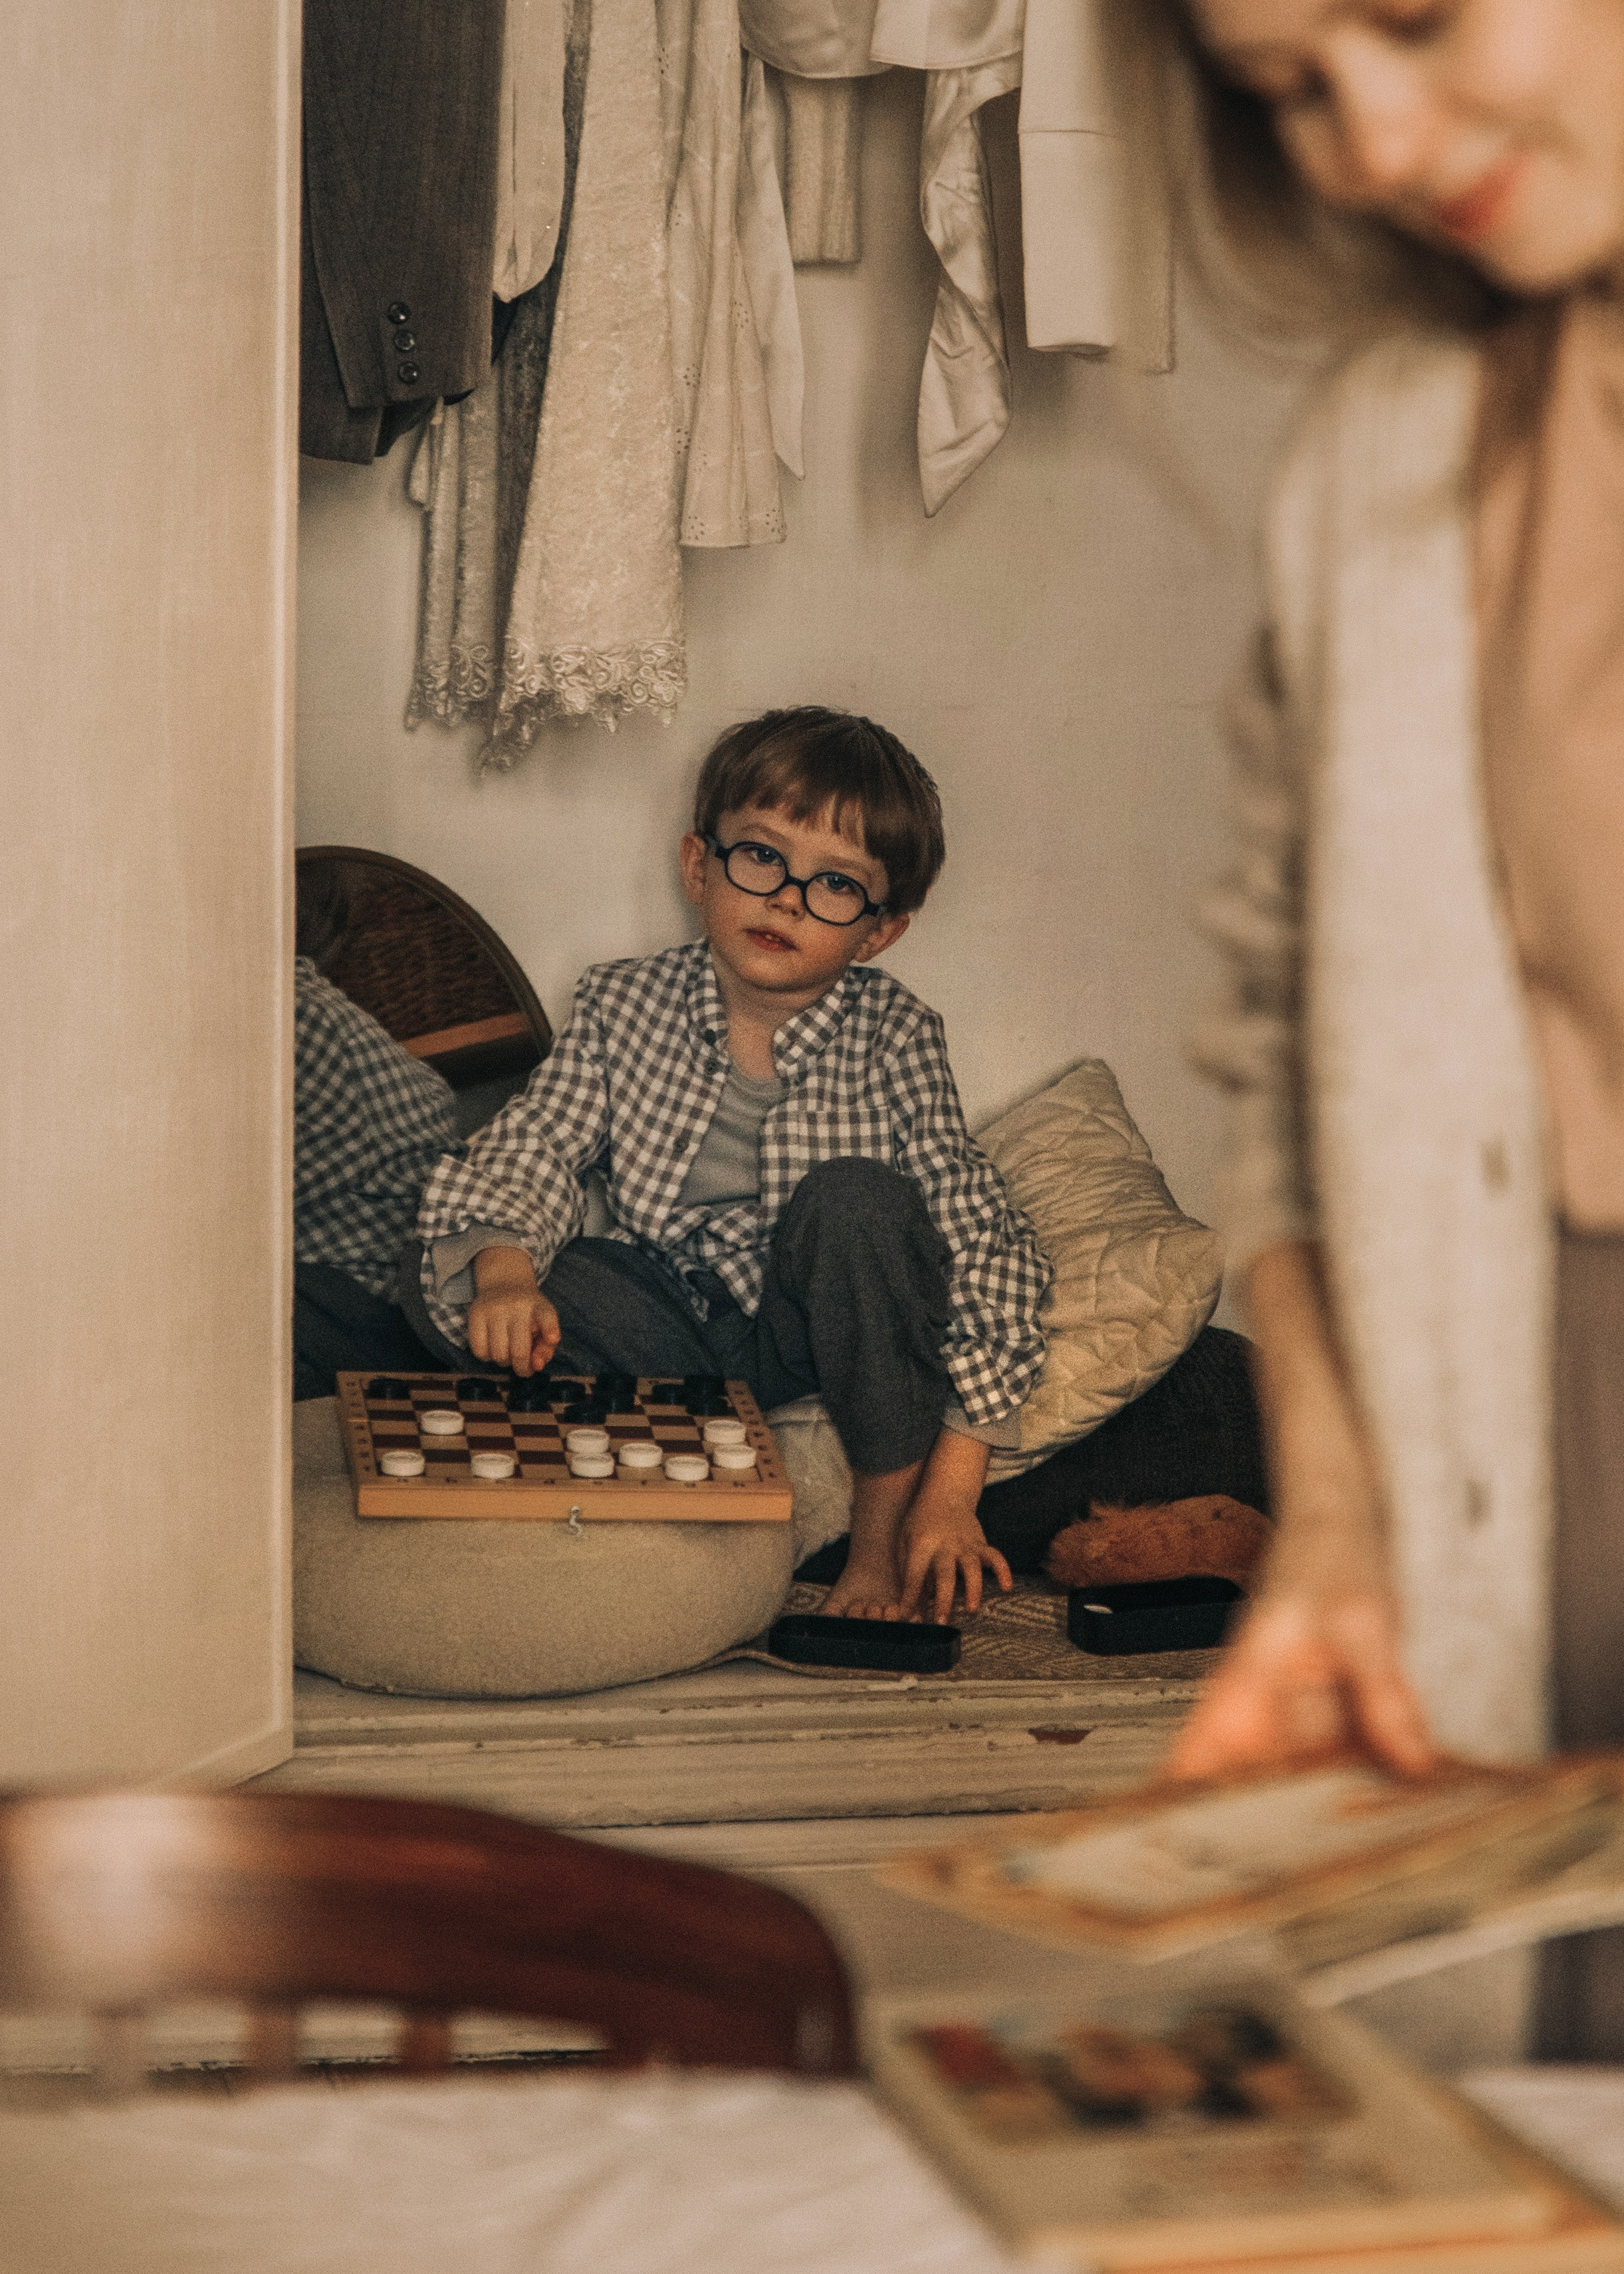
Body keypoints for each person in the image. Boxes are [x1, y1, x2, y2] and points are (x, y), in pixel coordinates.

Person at [1117, 0, 1624, 2053]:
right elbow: (1289, 1031)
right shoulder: (1382, 464)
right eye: (1286, 92)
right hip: (1543, 1417)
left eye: (1411, 20)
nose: (1376, 139)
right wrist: (1335, 1514)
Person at [409, 707, 1054, 1622]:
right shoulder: (623, 1002)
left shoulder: (896, 1035)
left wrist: (951, 1498)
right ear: (698, 867)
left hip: (808, 1332)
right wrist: (507, 1273)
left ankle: (868, 1550)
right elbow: (536, 1145)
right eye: (761, 858)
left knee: (859, 1201)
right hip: (664, 1323)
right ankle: (628, 1476)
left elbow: (980, 1244)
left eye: (835, 885)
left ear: (878, 932)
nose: (787, 898)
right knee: (485, 1267)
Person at [293, 864, 459, 1399]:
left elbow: (231, 1199)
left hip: (371, 1314)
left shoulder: (287, 1009)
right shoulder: (312, 1005)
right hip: (384, 1299)